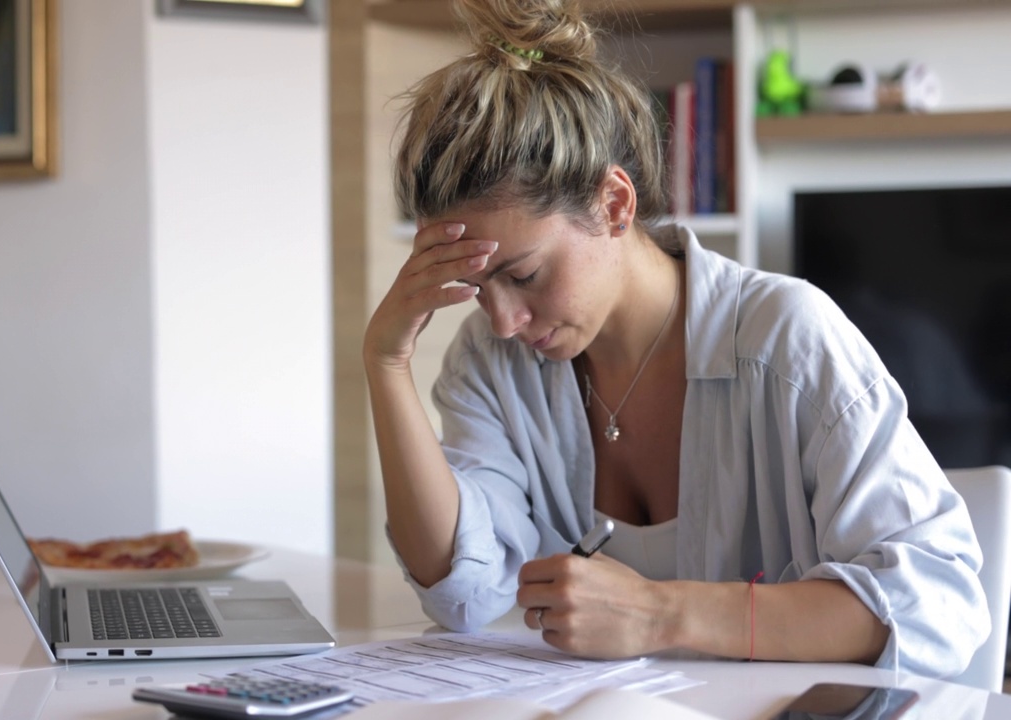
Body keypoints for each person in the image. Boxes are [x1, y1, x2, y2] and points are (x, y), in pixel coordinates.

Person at [361, 0, 989, 678]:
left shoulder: (788, 341)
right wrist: (385, 362)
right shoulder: (491, 362)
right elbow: (463, 594)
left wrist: (663, 613)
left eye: (524, 274)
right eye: (478, 288)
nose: (506, 318)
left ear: (614, 204)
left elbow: (939, 605)